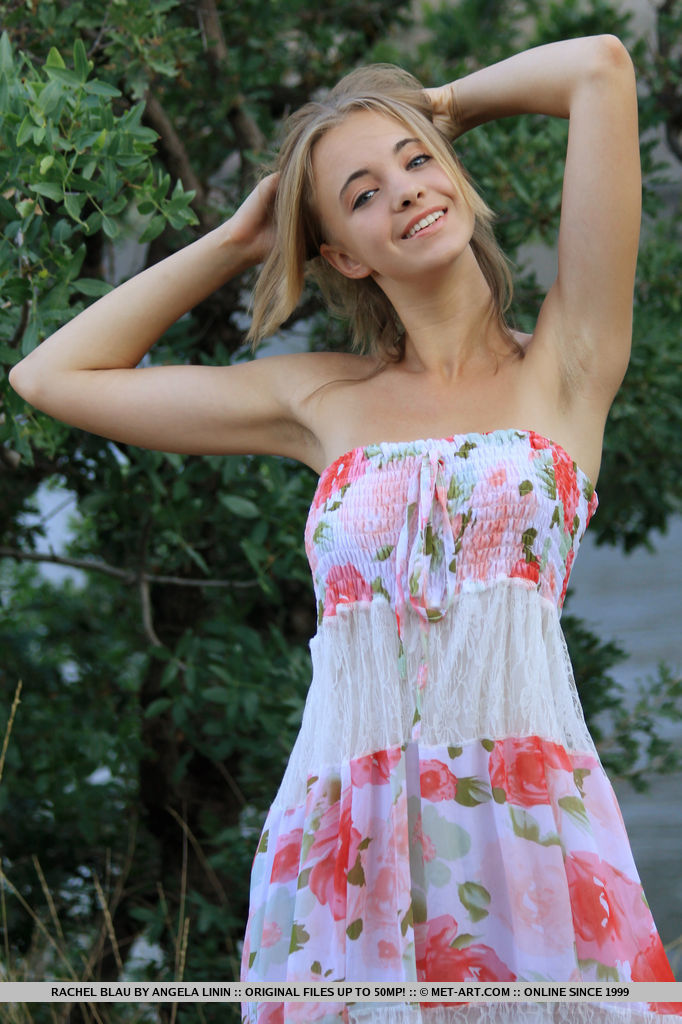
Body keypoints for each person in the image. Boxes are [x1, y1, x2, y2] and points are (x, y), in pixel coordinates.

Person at [10, 33, 679, 1023]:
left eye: (416, 165)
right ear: (341, 256)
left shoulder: (568, 362)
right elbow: (50, 376)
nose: (404, 192)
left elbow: (600, 69)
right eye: (363, 195)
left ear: (454, 177)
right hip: (345, 835)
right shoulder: (319, 399)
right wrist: (241, 240)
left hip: (530, 821)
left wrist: (434, 107)